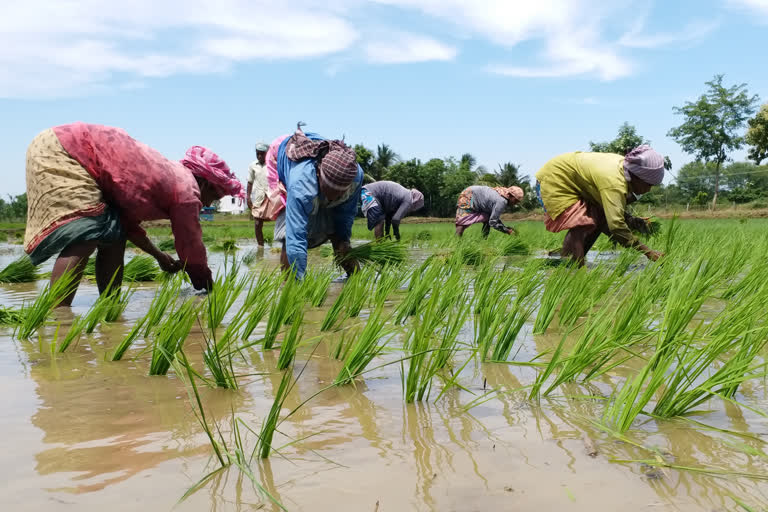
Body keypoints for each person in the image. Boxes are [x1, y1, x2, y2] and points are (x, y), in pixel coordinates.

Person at [23, 122, 242, 305]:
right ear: (204, 184)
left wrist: (159, 256)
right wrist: (204, 282)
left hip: (61, 145)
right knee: (87, 233)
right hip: (66, 150)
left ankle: (109, 306)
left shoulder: (169, 178)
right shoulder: (187, 190)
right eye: (214, 197)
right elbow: (190, 244)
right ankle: (57, 317)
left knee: (114, 235)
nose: (207, 204)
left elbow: (128, 227)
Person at [535, 144, 665, 265]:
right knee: (580, 223)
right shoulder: (614, 182)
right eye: (648, 185)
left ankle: (569, 261)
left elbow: (611, 214)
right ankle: (577, 271)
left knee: (601, 219)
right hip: (555, 178)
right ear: (637, 176)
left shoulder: (623, 168)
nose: (648, 190)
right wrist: (649, 253)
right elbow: (616, 226)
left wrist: (631, 220)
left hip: (573, 180)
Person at [267, 124, 362, 279]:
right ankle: (290, 286)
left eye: (338, 195)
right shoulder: (300, 183)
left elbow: (346, 215)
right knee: (288, 235)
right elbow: (296, 237)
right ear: (318, 174)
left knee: (340, 237)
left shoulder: (355, 176)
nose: (332, 199)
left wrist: (343, 240)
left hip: (320, 174)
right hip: (284, 159)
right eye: (329, 193)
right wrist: (300, 282)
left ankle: (357, 282)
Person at [454, 185, 524, 238]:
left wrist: (506, 229)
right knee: (461, 223)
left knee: (487, 219)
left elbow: (493, 219)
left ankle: (483, 242)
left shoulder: (504, 194)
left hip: (474, 194)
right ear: (510, 195)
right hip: (469, 195)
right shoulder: (502, 201)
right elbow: (493, 222)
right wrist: (508, 231)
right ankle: (456, 245)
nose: (515, 203)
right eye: (515, 200)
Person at [247, 142, 270, 246]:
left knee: (280, 221)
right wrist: (248, 197)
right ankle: (260, 246)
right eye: (258, 154)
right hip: (258, 198)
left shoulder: (272, 164)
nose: (260, 156)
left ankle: (284, 245)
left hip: (271, 197)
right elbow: (250, 182)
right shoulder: (253, 166)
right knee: (257, 223)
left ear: (267, 153)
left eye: (262, 153)